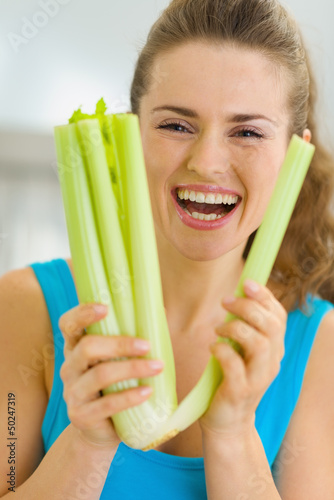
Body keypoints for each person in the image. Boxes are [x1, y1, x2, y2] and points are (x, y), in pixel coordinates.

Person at [1, 0, 334, 498]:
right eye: (176, 125)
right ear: (130, 133)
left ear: (293, 156)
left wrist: (233, 433)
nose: (207, 163)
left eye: (247, 132)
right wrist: (88, 443)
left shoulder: (319, 345)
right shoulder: (23, 307)